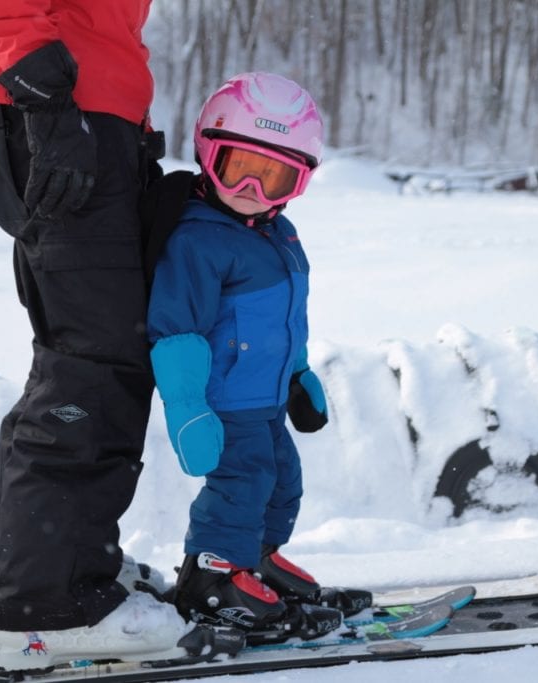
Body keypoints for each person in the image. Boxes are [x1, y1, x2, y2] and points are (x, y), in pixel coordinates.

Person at [0, 0, 187, 670]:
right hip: (49, 105)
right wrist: (44, 92)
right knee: (95, 358)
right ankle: (47, 602)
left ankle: (55, 561)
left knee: (93, 347)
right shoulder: (45, 92)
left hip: (83, 113)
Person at [146, 72, 333, 631]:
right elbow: (175, 329)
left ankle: (256, 563)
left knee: (282, 480)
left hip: (268, 398)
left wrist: (299, 374)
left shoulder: (279, 235)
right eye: (238, 167)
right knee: (242, 484)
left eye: (273, 176)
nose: (251, 188)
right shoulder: (197, 239)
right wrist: (187, 406)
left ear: (297, 183)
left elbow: (282, 319)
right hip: (227, 402)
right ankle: (211, 578)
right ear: (209, 152)